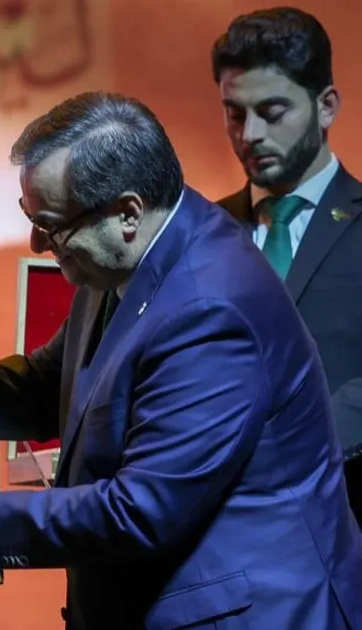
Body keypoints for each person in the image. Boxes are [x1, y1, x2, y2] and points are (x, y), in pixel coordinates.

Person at [0, 91, 362, 629]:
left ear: (127, 213)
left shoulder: (209, 309)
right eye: (30, 217)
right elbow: (52, 386)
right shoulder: (125, 255)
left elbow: (143, 510)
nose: (38, 242)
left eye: (51, 225)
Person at [211, 6, 362, 529]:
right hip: (220, 545)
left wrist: (284, 452)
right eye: (235, 113)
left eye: (271, 112)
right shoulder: (200, 237)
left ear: (326, 106)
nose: (249, 134)